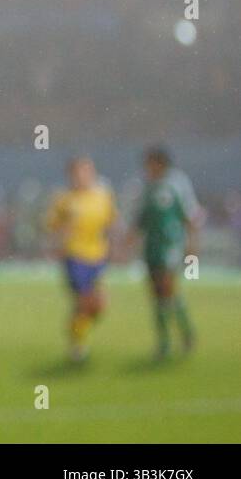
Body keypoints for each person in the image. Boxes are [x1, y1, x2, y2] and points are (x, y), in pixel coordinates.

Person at [131, 146, 202, 360]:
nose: (147, 168)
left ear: (160, 163)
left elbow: (190, 215)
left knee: (166, 287)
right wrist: (126, 241)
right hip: (151, 247)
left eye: (150, 163)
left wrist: (192, 245)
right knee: (156, 294)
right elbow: (140, 219)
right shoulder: (147, 187)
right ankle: (164, 343)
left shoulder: (177, 183)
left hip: (171, 245)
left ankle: (186, 332)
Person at [43, 156, 117, 363]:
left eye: (86, 171)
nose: (82, 176)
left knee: (99, 306)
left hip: (98, 255)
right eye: (78, 172)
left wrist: (117, 249)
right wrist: (58, 240)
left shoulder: (102, 196)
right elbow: (51, 225)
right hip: (75, 256)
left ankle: (75, 331)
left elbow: (111, 222)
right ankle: (78, 347)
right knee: (84, 302)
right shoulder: (64, 199)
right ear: (71, 175)